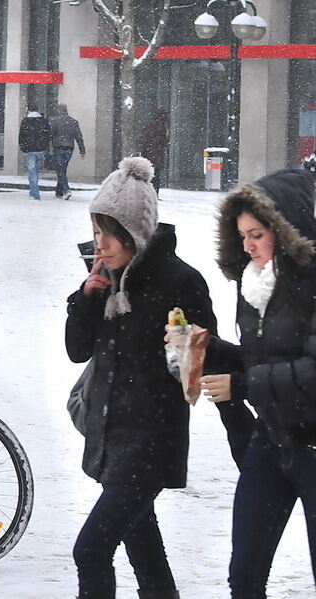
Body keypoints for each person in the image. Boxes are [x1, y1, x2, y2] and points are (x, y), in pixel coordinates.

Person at [65, 156, 216, 599]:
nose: (100, 244)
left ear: (136, 231)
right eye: (96, 232)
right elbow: (77, 351)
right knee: (145, 550)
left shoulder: (181, 281)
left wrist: (183, 346)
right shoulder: (107, 278)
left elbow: (196, 369)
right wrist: (87, 299)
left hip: (151, 440)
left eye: (109, 234)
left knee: (90, 550)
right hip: (114, 435)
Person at [195, 168, 316, 596]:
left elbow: (310, 372)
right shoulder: (254, 287)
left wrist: (242, 386)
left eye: (257, 234)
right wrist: (207, 347)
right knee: (244, 577)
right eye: (242, 235)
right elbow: (258, 359)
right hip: (271, 441)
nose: (248, 245)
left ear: (286, 231)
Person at [49, 103, 86, 200]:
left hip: (59, 147)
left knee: (60, 170)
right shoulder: (73, 122)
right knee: (62, 169)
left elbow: (51, 134)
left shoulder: (54, 120)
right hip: (69, 147)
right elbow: (79, 137)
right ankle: (59, 191)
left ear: (58, 110)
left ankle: (66, 190)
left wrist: (46, 145)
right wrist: (82, 150)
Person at [18, 103, 51, 200]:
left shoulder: (26, 121)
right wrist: (44, 146)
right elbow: (47, 135)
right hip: (40, 150)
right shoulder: (44, 121)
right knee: (36, 171)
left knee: (32, 171)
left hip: (30, 150)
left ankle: (34, 192)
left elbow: (22, 136)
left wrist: (23, 148)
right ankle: (34, 190)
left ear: (29, 110)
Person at [140, 108, 169, 193]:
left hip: (150, 153)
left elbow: (146, 139)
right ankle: (154, 192)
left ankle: (151, 192)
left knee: (152, 174)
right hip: (155, 153)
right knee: (155, 175)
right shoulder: (160, 125)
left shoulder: (151, 124)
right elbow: (159, 139)